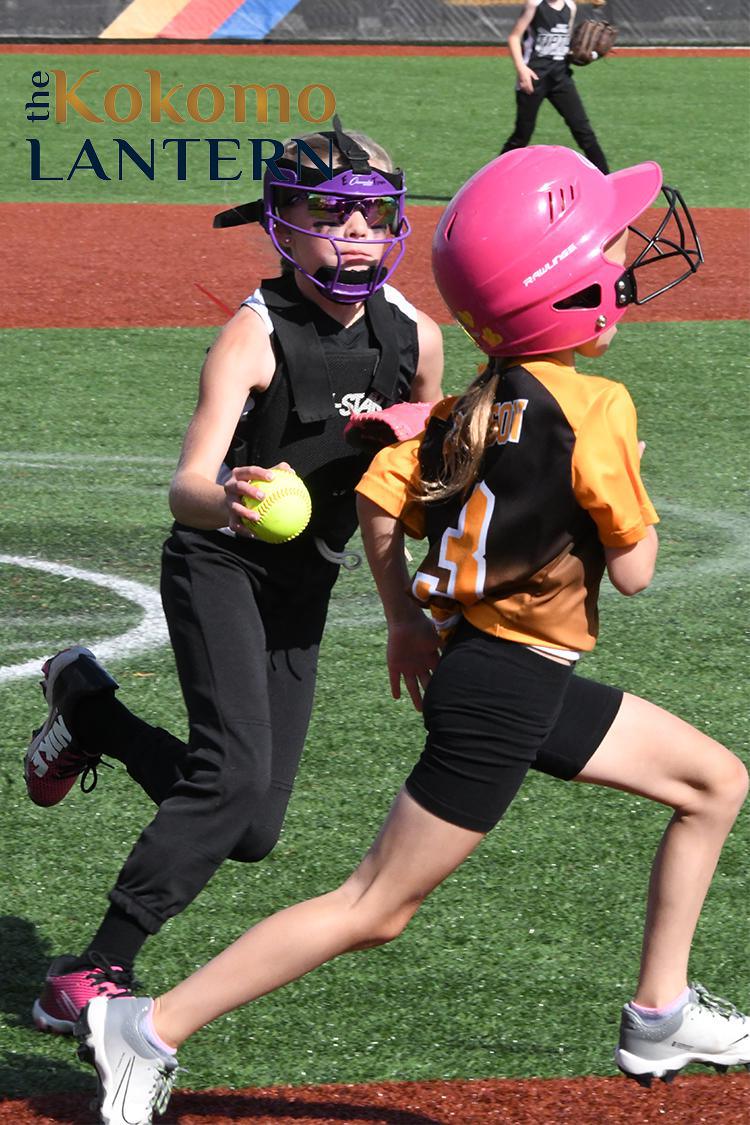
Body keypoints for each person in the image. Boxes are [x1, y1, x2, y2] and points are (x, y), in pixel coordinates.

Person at [73, 146, 749, 1125]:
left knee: (714, 782)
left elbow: (384, 496)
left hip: (499, 669)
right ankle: (149, 1027)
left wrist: (402, 619)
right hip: (504, 689)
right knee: (374, 908)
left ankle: (660, 1012)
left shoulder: (469, 401)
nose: (622, 253)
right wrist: (627, 479)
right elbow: (636, 572)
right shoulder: (599, 407)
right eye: (605, 243)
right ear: (562, 289)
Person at [23, 121, 443, 1035]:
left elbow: (393, 492)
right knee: (229, 775)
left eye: (375, 214)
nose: (358, 233)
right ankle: (92, 969)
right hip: (218, 562)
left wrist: (404, 608)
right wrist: (233, 501)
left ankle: (89, 707)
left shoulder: (416, 338)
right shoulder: (252, 337)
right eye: (332, 215)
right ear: (282, 223)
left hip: (307, 581)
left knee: (250, 827)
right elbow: (186, 488)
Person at [501, 0, 609, 173]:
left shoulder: (570, 7)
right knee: (521, 136)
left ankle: (607, 179)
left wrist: (580, 53)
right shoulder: (535, 5)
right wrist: (522, 70)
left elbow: (565, 43)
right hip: (533, 77)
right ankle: (495, 179)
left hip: (561, 78)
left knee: (583, 130)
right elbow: (514, 37)